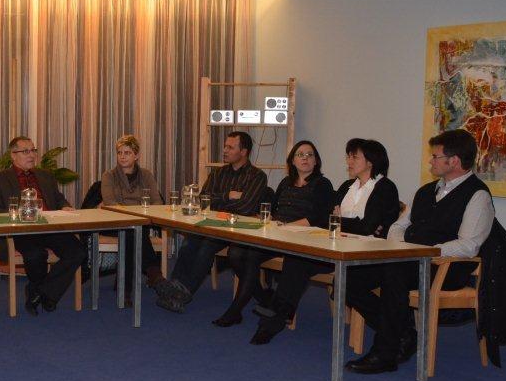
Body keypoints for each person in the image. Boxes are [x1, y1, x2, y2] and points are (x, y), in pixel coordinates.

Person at [346, 129, 494, 373]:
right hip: (409, 260)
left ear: (454, 161)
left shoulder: (477, 195)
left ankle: (385, 353)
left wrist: (424, 252)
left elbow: (469, 245)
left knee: (394, 274)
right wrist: (402, 249)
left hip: (446, 268)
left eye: (435, 156)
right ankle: (404, 333)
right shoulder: (426, 191)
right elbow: (398, 226)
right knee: (351, 277)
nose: (430, 161)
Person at [251, 138, 400, 345]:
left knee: (301, 263)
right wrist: (348, 222)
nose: (348, 161)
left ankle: (274, 316)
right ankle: (277, 315)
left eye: (354, 157)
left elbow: (366, 228)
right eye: (348, 156)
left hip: (363, 255)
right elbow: (328, 220)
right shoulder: (347, 186)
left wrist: (342, 221)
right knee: (297, 258)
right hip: (333, 248)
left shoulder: (385, 187)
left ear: (370, 162)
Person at [213, 140, 334, 328]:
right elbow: (274, 208)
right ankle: (264, 298)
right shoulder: (286, 182)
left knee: (251, 256)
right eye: (300, 155)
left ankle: (235, 310)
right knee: (235, 253)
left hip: (300, 237)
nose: (305, 158)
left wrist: (286, 227)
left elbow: (317, 218)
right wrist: (269, 220)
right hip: (277, 233)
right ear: (292, 161)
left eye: (310, 155)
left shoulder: (322, 184)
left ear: (316, 161)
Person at [156, 131, 267, 313]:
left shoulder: (257, 176)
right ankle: (174, 286)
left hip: (237, 229)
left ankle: (183, 293)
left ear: (244, 152)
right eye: (225, 146)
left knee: (207, 246)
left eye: (230, 147)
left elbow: (246, 207)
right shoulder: (218, 173)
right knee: (189, 242)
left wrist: (218, 201)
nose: (225, 150)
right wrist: (228, 196)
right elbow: (203, 200)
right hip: (212, 224)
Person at [0, 136, 86, 315]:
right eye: (25, 151)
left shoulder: (45, 176)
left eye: (33, 150)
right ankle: (46, 294)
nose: (31, 155)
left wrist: (64, 206)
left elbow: (58, 199)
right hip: (21, 231)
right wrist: (20, 214)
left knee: (78, 251)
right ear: (13, 155)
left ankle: (40, 292)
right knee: (35, 255)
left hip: (50, 227)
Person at [99, 135, 170, 301]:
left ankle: (125, 288)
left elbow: (157, 201)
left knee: (132, 232)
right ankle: (155, 275)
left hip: (140, 223)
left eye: (127, 153)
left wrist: (143, 216)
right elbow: (110, 203)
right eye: (119, 153)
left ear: (136, 155)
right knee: (132, 232)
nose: (122, 156)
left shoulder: (146, 175)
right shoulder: (109, 175)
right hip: (114, 223)